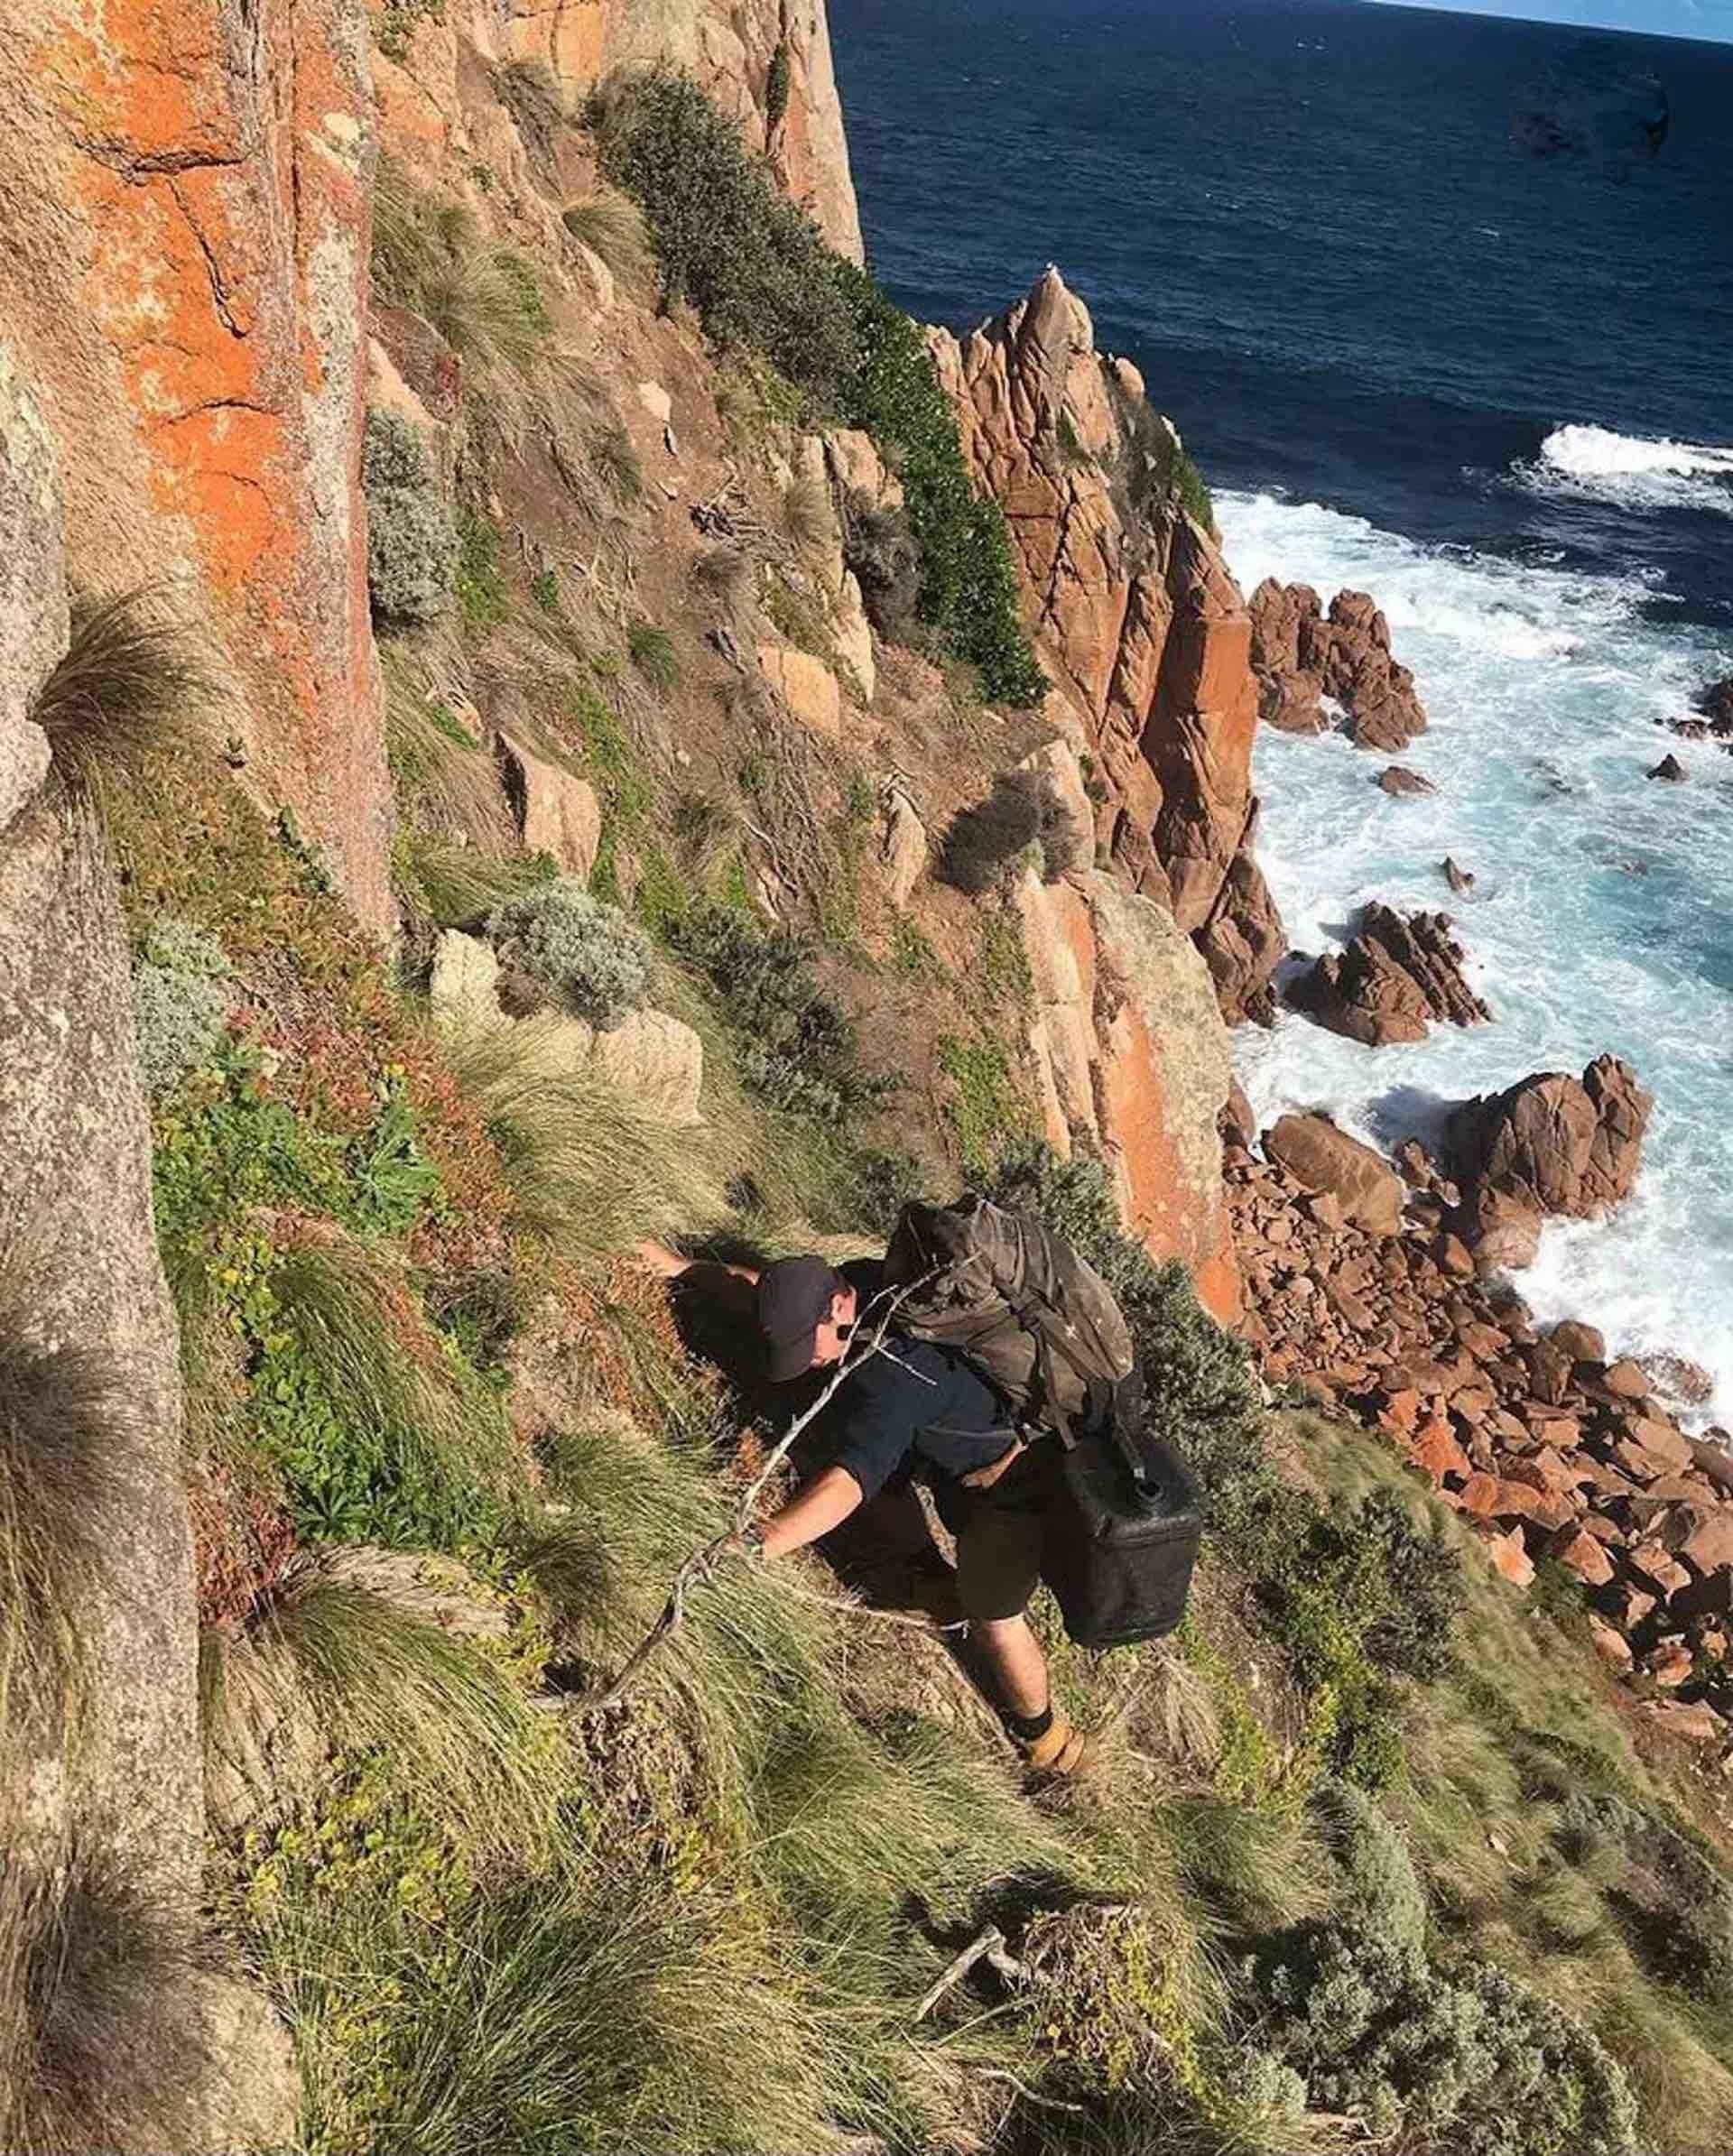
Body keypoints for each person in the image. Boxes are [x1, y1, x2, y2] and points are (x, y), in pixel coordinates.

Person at [648, 1244, 1094, 1776]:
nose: (803, 1359)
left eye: (803, 1345)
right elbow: (763, 1289)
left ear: (837, 1307)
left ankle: (1047, 1739)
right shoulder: (860, 1283)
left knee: (994, 1616)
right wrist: (684, 1268)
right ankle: (930, 1578)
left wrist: (758, 1544)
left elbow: (845, 1487)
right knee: (855, 1440)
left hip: (1012, 1489)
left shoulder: (891, 1377)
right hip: (956, 1442)